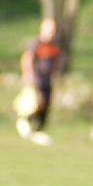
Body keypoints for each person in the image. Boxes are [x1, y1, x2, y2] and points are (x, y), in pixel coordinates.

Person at [15, 17, 61, 146]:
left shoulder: (54, 46)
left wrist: (56, 77)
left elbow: (56, 63)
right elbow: (27, 59)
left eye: (53, 30)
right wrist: (28, 75)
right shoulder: (36, 44)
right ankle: (24, 122)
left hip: (47, 81)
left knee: (45, 105)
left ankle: (38, 131)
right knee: (34, 104)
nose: (51, 33)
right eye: (49, 30)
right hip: (36, 80)